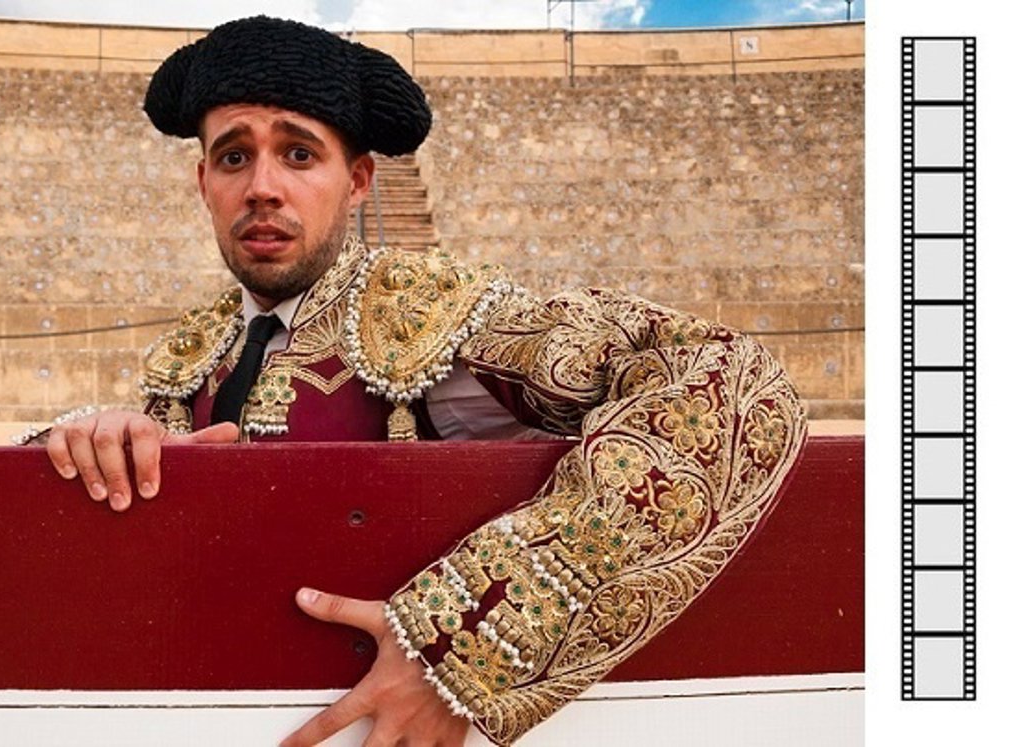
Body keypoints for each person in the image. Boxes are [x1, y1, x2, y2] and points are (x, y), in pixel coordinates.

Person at [40, 16, 806, 747]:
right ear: (202, 180)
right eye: (235, 157)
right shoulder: (190, 350)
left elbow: (732, 383)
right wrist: (92, 439)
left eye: (299, 154)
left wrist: (467, 648)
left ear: (359, 181)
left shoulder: (434, 314)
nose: (263, 186)